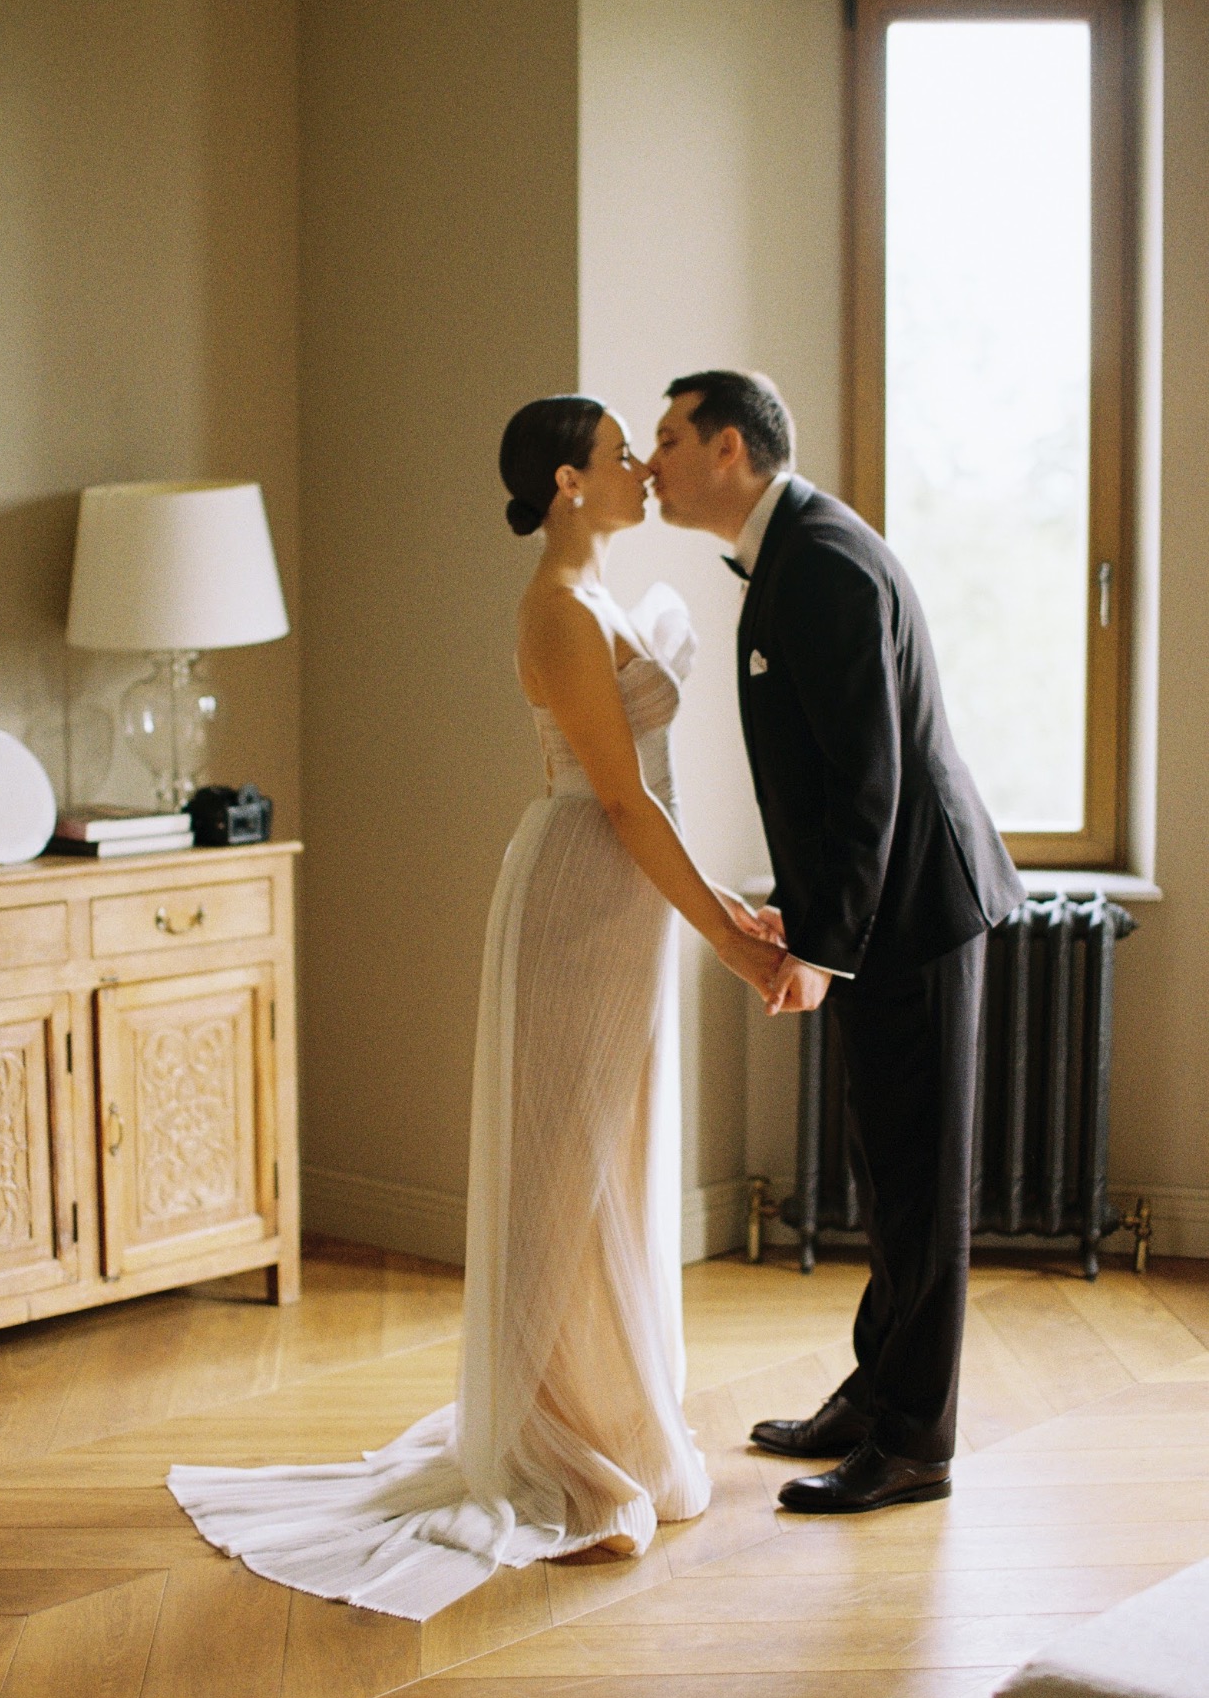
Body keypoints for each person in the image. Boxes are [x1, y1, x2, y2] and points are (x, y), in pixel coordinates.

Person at [168, 395, 782, 1619]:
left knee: (611, 1161)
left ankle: (606, 1408)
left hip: (626, 904)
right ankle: (551, 1435)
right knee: (560, 1167)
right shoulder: (556, 608)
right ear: (567, 482)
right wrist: (728, 942)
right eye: (619, 455)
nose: (640, 469)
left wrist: (723, 904)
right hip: (578, 904)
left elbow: (646, 798)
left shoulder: (597, 595)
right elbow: (618, 802)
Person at [649, 369, 1025, 1513]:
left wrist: (826, 947)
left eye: (669, 439)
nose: (653, 462)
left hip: (914, 916)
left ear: (728, 448)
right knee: (886, 1171)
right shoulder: (794, 550)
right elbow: (826, 777)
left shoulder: (819, 559)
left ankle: (916, 1444)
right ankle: (878, 1395)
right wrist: (806, 921)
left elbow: (871, 778)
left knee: (921, 1186)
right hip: (881, 920)